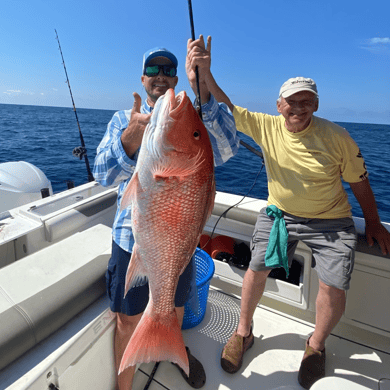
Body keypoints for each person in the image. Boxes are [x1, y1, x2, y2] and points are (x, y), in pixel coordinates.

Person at [186, 35, 390, 389]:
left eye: (306, 102)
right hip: (279, 215)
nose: (298, 108)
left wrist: (372, 221)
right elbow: (225, 107)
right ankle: (244, 333)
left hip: (331, 222)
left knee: (333, 285)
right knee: (255, 269)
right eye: (291, 102)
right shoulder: (266, 126)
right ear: (278, 105)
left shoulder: (338, 137)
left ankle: (315, 346)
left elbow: (359, 183)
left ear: (316, 104)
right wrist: (205, 72)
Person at [93, 46, 239, 390]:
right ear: (143, 79)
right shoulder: (122, 120)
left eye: (168, 70)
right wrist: (130, 138)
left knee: (173, 310)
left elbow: (228, 148)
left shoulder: (196, 119)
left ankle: (172, 350)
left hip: (179, 245)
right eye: (152, 69)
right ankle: (124, 386)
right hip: (132, 241)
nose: (161, 74)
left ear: (176, 77)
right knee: (127, 321)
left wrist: (203, 90)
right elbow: (102, 174)